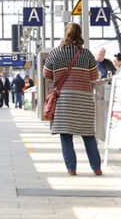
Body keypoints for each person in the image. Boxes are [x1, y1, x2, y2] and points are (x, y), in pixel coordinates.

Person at [43, 23, 102, 175]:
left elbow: (46, 74)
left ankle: (71, 169)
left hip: (64, 99)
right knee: (88, 134)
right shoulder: (87, 54)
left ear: (65, 34)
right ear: (80, 35)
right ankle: (96, 168)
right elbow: (94, 76)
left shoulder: (55, 53)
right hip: (84, 99)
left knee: (66, 134)